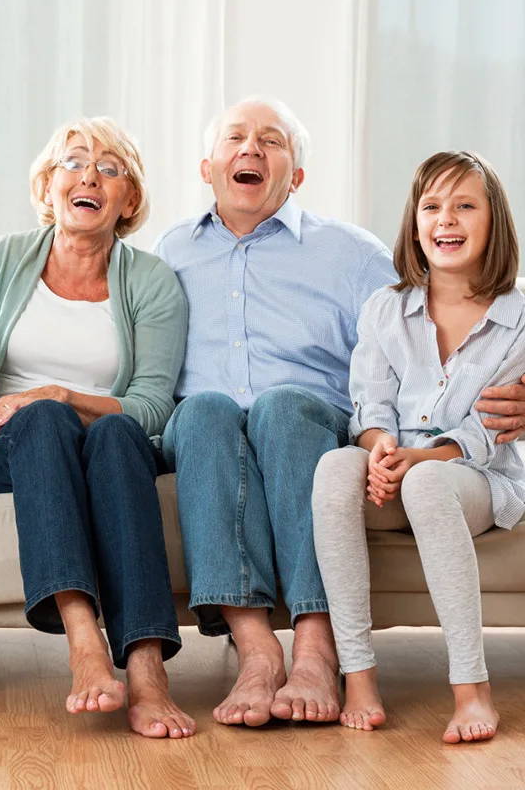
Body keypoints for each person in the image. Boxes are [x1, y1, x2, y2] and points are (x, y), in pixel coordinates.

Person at [156, 97, 398, 727]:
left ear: (296, 175)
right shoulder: (169, 252)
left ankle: (317, 650)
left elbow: (415, 347)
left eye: (272, 140)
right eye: (235, 137)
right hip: (201, 425)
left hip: (307, 420)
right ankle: (258, 652)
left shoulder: (354, 254)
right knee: (206, 409)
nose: (251, 149)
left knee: (284, 409)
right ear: (206, 167)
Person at [0, 117, 195, 739]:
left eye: (111, 169)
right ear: (48, 183)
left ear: (129, 199)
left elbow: (151, 407)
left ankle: (146, 668)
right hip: (16, 447)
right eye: (74, 162)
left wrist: (59, 391)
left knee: (115, 435)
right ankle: (83, 636)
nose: (90, 175)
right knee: (42, 418)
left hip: (110, 446)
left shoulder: (150, 282)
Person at [312, 151, 524, 743]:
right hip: (397, 465)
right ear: (413, 222)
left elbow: (492, 429)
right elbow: (370, 404)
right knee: (335, 465)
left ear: (493, 221)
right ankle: (357, 673)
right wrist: (380, 449)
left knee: (429, 482)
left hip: (476, 477)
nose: (445, 220)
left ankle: (470, 687)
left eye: (464, 206)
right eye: (431, 206)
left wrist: (422, 461)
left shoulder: (520, 315)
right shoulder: (386, 306)